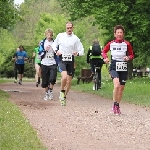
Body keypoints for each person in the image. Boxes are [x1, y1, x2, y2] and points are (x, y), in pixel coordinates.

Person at [101, 25, 134, 115]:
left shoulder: (127, 44)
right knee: (116, 85)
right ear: (115, 34)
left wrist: (128, 57)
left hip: (123, 65)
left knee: (121, 88)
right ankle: (114, 105)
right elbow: (103, 51)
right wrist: (105, 58)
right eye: (118, 33)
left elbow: (132, 55)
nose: (119, 34)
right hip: (114, 65)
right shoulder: (111, 43)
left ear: (123, 34)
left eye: (121, 33)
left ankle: (117, 105)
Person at [52, 21, 84, 106]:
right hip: (62, 58)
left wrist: (77, 53)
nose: (69, 29)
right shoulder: (60, 36)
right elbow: (54, 45)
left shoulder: (76, 38)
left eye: (70, 28)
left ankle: (64, 97)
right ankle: (62, 91)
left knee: (69, 81)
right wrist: (56, 51)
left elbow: (82, 50)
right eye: (68, 28)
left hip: (71, 60)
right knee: (64, 77)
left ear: (73, 28)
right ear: (65, 28)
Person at [38, 28, 57, 101]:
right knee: (45, 80)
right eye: (48, 35)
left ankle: (51, 91)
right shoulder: (42, 42)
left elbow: (58, 51)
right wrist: (45, 50)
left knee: (52, 78)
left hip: (52, 62)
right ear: (45, 35)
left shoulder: (55, 42)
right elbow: (39, 53)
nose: (49, 36)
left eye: (50, 35)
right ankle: (46, 92)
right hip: (44, 62)